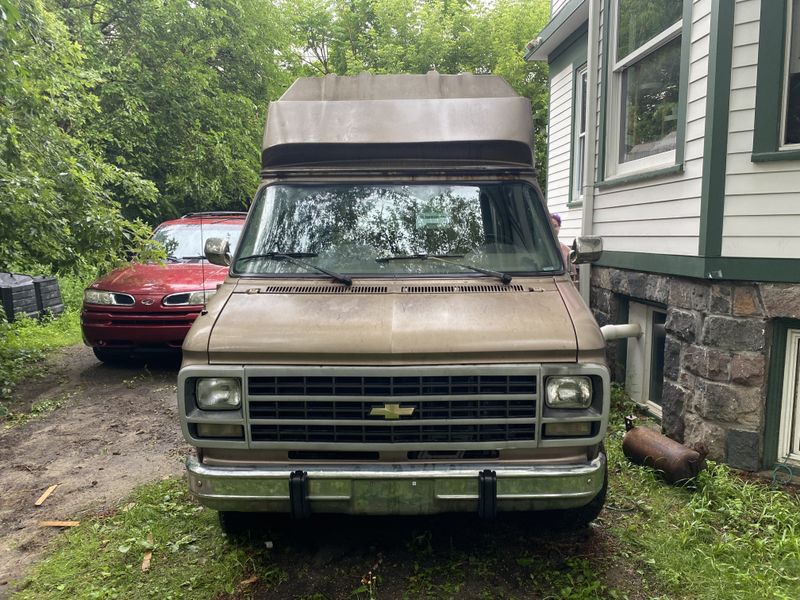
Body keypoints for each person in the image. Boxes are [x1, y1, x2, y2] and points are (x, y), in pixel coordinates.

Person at [550, 213, 577, 280]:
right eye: (550, 226)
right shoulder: (538, 249)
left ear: (559, 227)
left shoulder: (567, 251)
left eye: (555, 226)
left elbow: (573, 275)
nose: (552, 229)